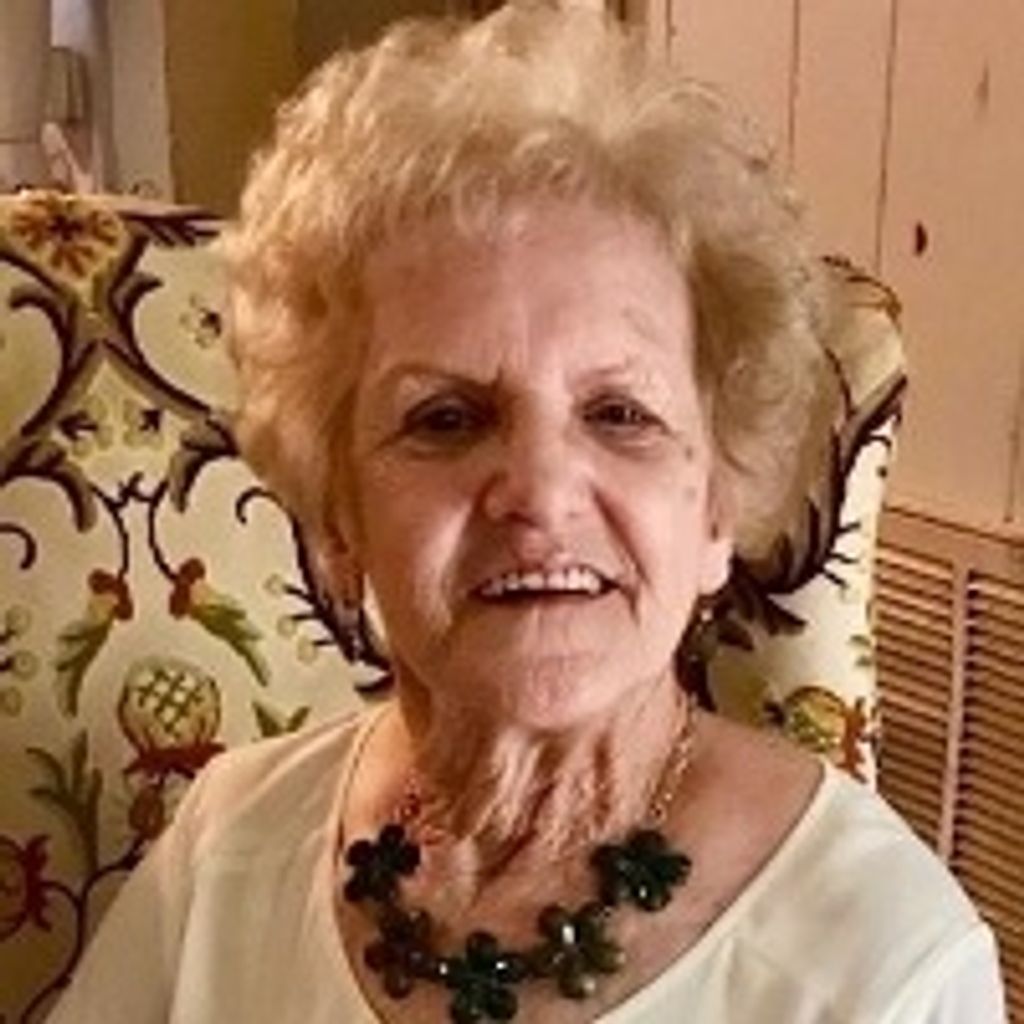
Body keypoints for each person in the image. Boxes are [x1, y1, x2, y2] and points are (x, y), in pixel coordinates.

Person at [48, 4, 1005, 1022]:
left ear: (716, 511)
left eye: (620, 414)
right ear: (338, 519)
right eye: (446, 418)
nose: (541, 492)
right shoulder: (225, 856)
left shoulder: (883, 958)